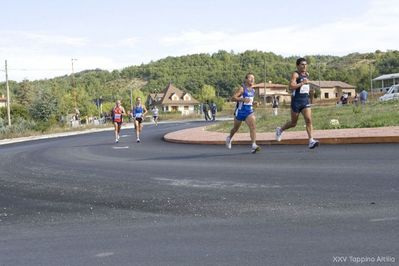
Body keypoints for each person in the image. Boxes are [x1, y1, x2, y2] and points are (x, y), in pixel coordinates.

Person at [275, 58, 319, 149]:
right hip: (296, 102)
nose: (305, 66)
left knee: (309, 120)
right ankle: (280, 130)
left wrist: (310, 91)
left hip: (305, 101)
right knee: (293, 123)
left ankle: (311, 140)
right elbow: (291, 86)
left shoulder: (306, 75)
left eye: (306, 64)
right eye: (302, 64)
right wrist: (302, 83)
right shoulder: (295, 74)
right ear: (298, 65)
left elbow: (304, 88)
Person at [225, 73, 261, 154]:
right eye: (250, 78)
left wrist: (254, 103)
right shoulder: (242, 89)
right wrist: (243, 100)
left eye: (253, 78)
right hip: (240, 112)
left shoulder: (253, 90)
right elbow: (233, 98)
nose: (252, 80)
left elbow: (250, 101)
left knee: (253, 127)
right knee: (235, 129)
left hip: (249, 112)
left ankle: (253, 145)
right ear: (246, 79)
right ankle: (229, 138)